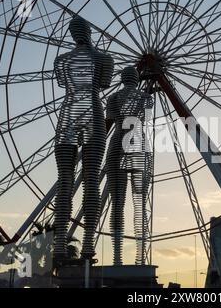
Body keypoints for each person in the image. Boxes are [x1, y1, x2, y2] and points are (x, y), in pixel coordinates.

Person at [53, 16, 114, 260]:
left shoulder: (61, 61)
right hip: (92, 110)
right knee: (91, 180)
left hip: (68, 112)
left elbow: (61, 82)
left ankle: (58, 246)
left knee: (64, 180)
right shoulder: (105, 59)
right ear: (89, 32)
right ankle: (88, 245)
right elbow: (104, 83)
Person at [106, 67, 153, 265]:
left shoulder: (113, 98)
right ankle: (140, 257)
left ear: (122, 78)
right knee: (139, 203)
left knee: (117, 202)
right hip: (138, 142)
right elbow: (148, 119)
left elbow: (107, 123)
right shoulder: (146, 98)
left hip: (117, 142)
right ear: (137, 78)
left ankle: (117, 257)